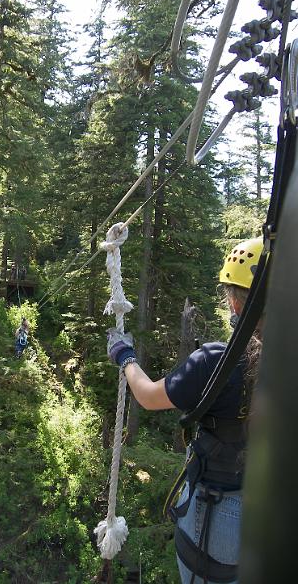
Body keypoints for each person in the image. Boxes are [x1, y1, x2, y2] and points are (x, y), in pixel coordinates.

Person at [107, 238, 264, 584]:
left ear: (235, 303)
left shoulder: (216, 362)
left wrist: (124, 355)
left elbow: (148, 396)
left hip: (217, 513)